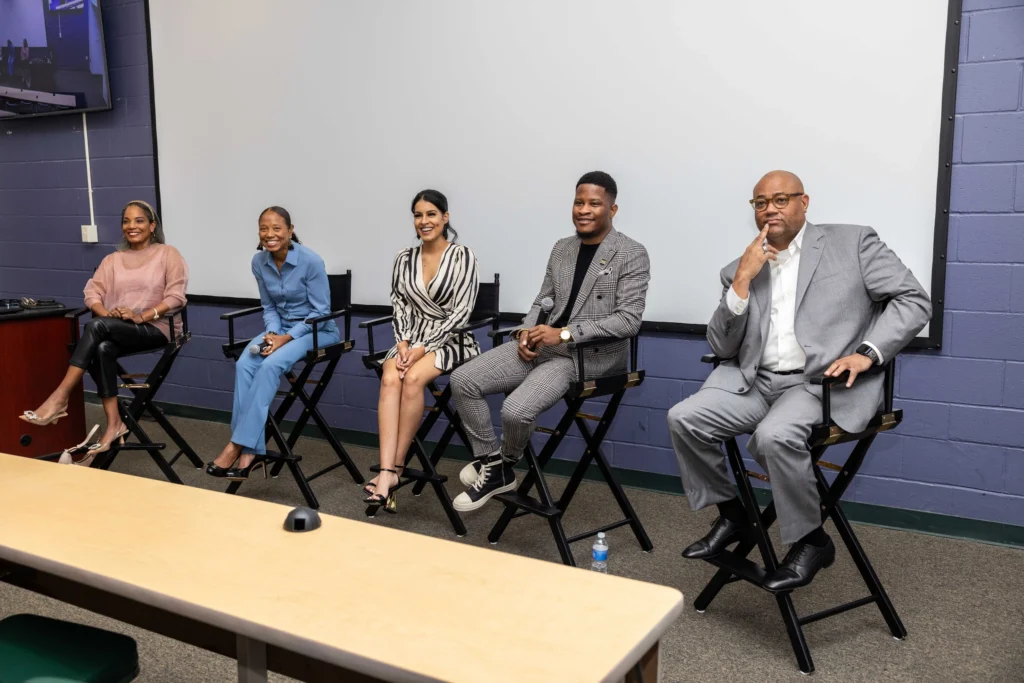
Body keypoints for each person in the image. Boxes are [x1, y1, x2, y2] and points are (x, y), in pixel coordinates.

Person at [667, 170, 931, 591]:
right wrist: (742, 281)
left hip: (820, 386)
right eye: (760, 203)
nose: (769, 209)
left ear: (803, 203)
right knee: (684, 418)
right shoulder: (738, 268)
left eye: (781, 199)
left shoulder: (853, 242)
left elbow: (914, 300)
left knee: (774, 436)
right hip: (755, 382)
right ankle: (734, 516)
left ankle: (812, 541)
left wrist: (867, 353)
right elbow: (721, 343)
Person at [448, 171, 650, 511]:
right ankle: (492, 464)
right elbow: (542, 302)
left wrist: (566, 333)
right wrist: (525, 333)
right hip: (544, 345)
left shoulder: (631, 253)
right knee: (463, 380)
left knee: (515, 411)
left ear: (612, 209)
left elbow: (629, 320)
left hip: (584, 357)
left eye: (594, 204)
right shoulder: (562, 248)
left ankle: (506, 460)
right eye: (578, 202)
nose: (583, 210)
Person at [20, 200, 189, 465]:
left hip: (156, 327)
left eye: (139, 220)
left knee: (95, 327)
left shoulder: (168, 254)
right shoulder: (112, 260)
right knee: (102, 347)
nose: (131, 226)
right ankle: (114, 424)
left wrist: (141, 316)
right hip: (118, 326)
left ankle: (60, 396)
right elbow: (92, 293)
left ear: (152, 225)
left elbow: (176, 297)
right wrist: (108, 314)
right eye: (126, 221)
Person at [363, 189, 480, 511]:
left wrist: (424, 347)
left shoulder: (463, 256)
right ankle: (387, 470)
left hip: (452, 339)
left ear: (445, 217)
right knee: (390, 378)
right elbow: (399, 303)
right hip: (411, 337)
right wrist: (403, 342)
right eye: (418, 215)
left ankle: (393, 470)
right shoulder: (403, 258)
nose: (424, 221)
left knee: (413, 379)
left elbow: (461, 313)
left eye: (431, 214)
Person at [206, 206, 339, 480]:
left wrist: (285, 339)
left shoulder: (311, 261)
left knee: (270, 366)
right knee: (245, 363)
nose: (270, 234)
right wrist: (273, 334)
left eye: (277, 228)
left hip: (317, 330)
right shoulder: (259, 262)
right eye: (264, 229)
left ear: (290, 230)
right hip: (281, 329)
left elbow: (321, 312)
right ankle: (252, 450)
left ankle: (236, 445)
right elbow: (269, 307)